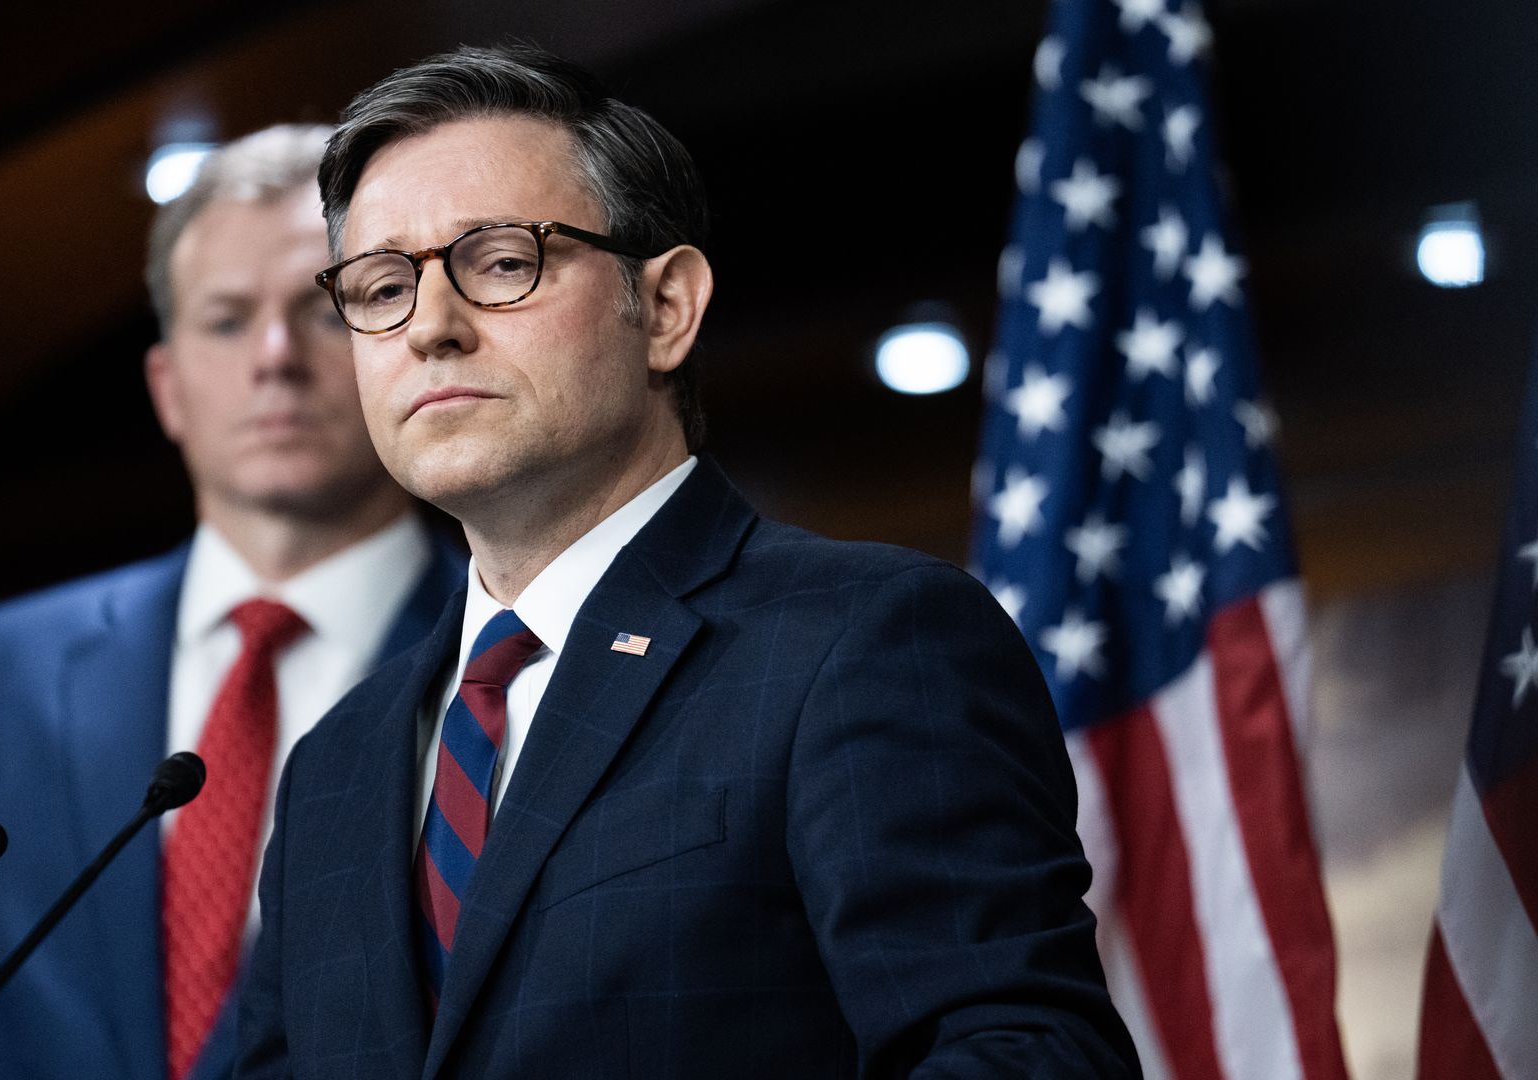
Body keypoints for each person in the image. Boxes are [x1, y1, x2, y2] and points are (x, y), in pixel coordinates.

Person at [235, 46, 1140, 1079]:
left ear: (665, 307)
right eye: (382, 286)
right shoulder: (338, 764)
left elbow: (1023, 1054)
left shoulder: (865, 637)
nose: (430, 328)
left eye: (500, 262)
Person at [0, 125, 464, 1080]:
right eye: (227, 320)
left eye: (324, 310)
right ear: (167, 388)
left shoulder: (511, 655)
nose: (273, 356)